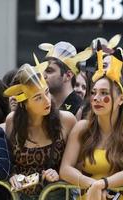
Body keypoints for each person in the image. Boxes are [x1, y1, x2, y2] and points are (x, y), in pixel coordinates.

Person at [60, 44, 123, 200]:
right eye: (93, 93)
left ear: (121, 99)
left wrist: (101, 184)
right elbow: (65, 169)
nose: (96, 98)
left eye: (104, 93)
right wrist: (92, 184)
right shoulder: (82, 127)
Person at [5, 63, 76, 199]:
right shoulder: (12, 121)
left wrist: (59, 175)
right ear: (23, 103)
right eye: (38, 97)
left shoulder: (67, 120)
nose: (47, 100)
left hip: (57, 194)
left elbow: (77, 164)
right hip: (21, 196)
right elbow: (8, 162)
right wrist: (12, 175)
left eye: (47, 92)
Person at [39, 41, 91, 116]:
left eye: (49, 71)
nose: (43, 76)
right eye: (42, 71)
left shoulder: (82, 110)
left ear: (68, 76)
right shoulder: (43, 106)